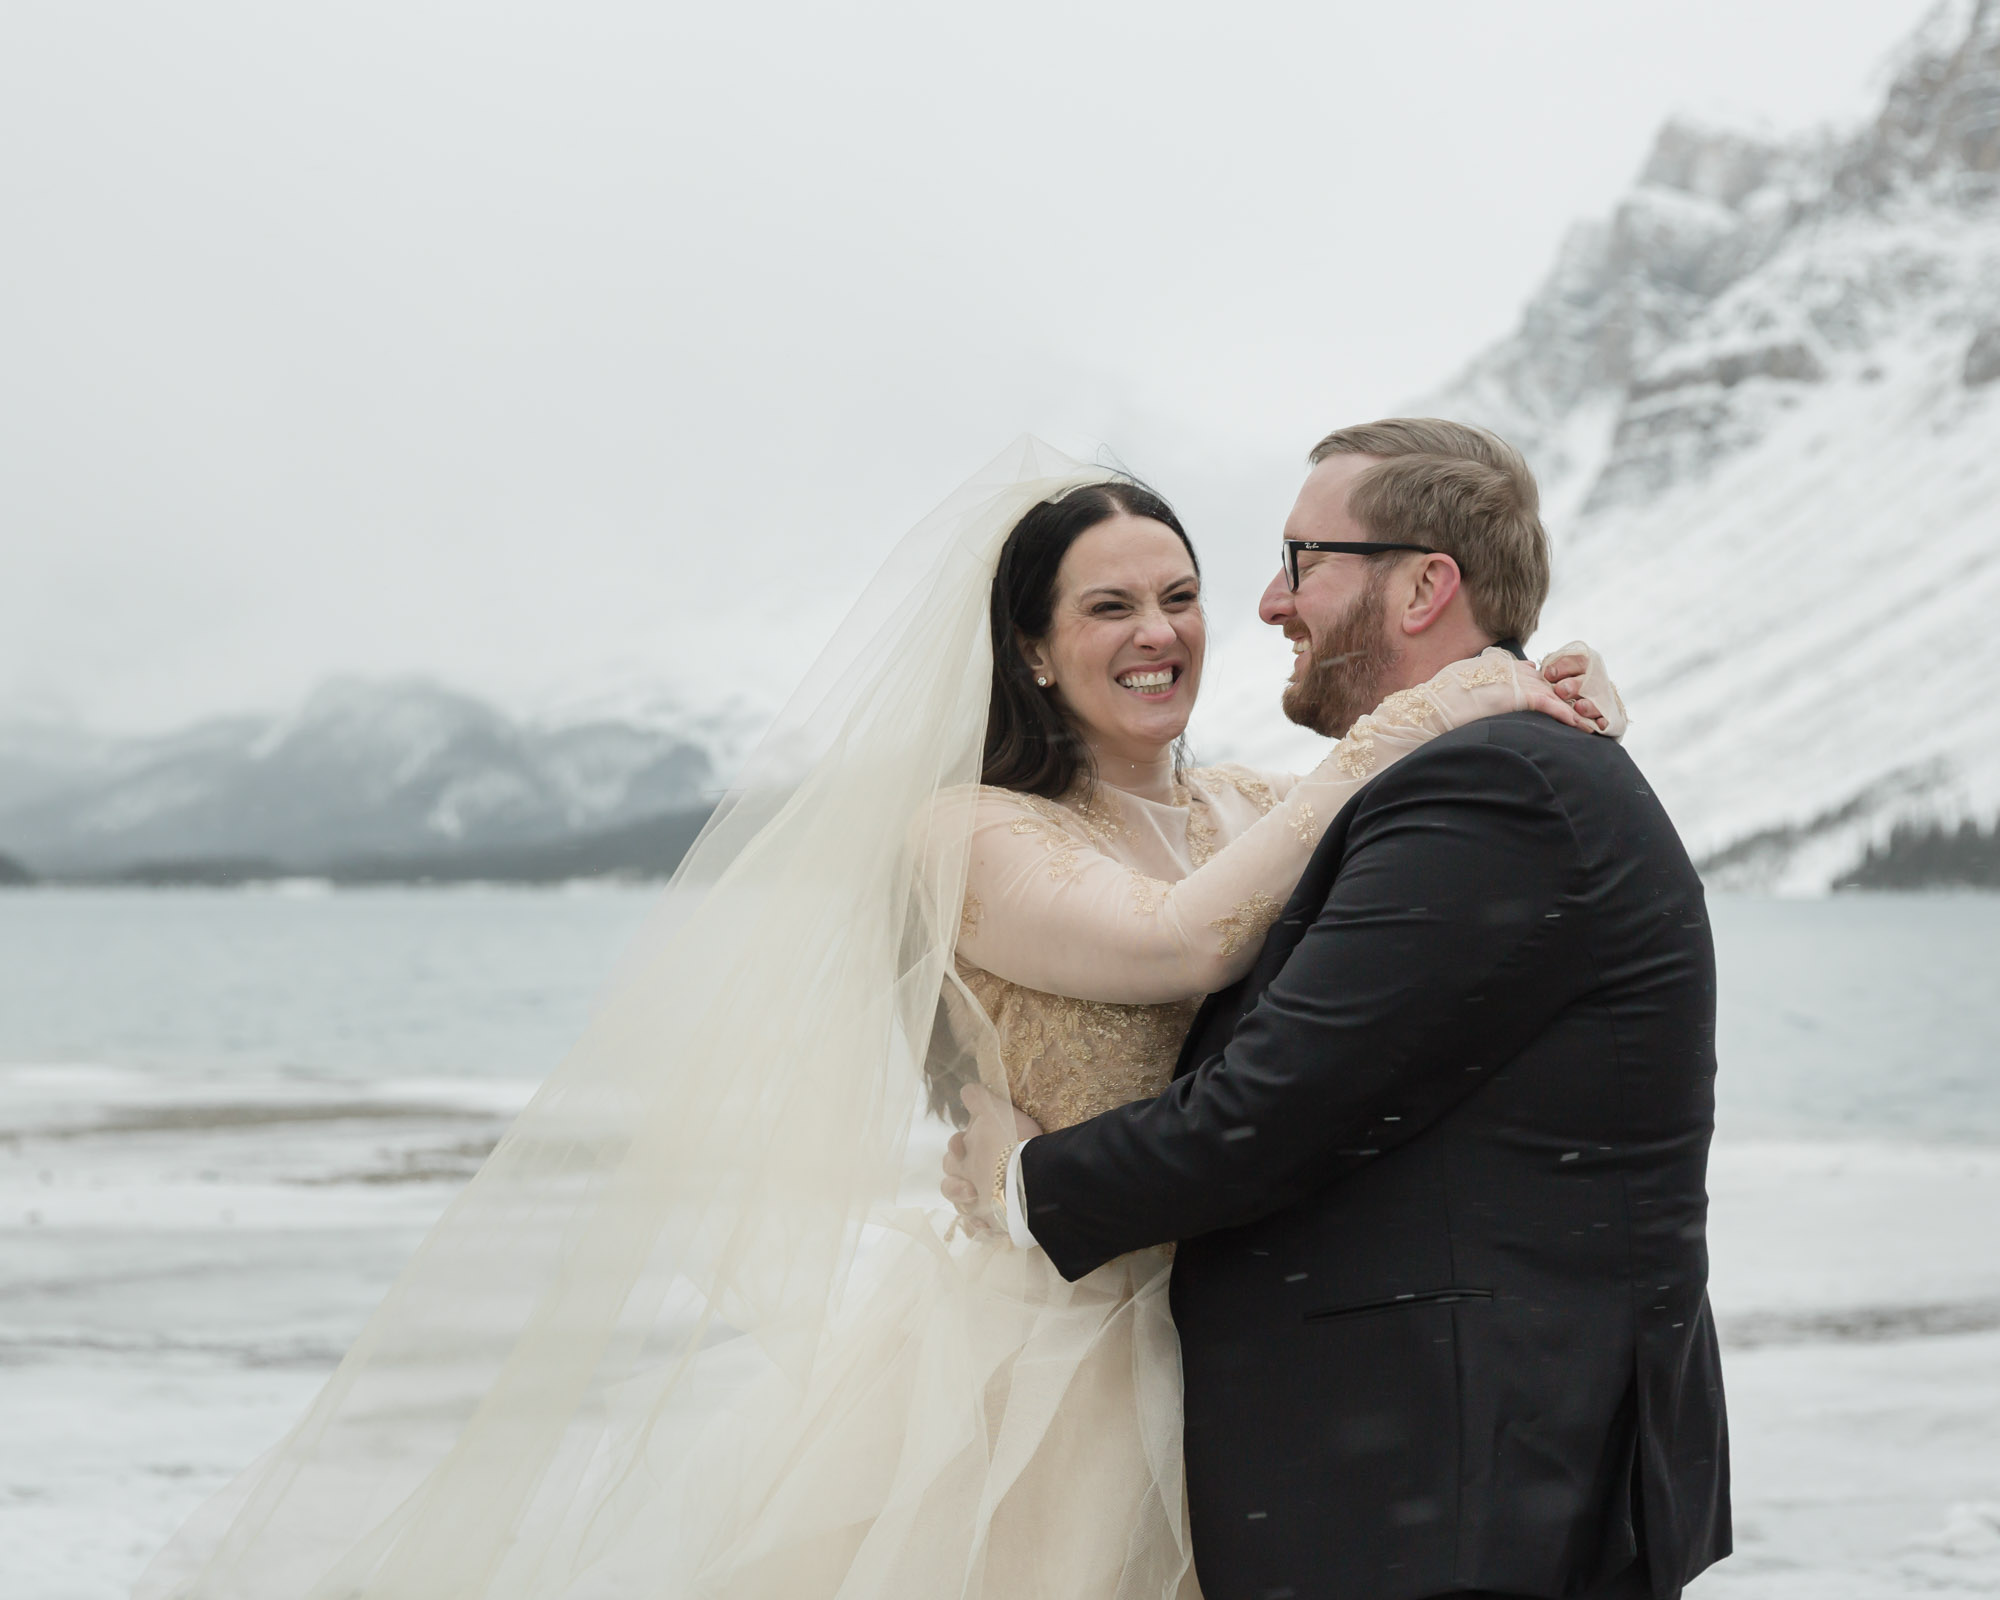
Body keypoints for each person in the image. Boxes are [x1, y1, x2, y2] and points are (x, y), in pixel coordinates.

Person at [138, 430, 1613, 1600]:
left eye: (1179, 596)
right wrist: (1421, 715)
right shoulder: (969, 835)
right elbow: (1177, 943)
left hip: (1243, 1347)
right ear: (1032, 650)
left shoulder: (1243, 801)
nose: (1159, 633)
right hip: (1051, 1374)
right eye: (1108, 606)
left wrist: (1534, 697)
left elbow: (1393, 875)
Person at [948, 419, 1730, 1600]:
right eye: (1108, 607)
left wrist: (1023, 1183)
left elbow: (1268, 1105)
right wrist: (1482, 693)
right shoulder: (1438, 777)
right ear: (1033, 652)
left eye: (1299, 561)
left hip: (1455, 1468)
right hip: (1195, 1411)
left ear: (1423, 586)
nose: (1267, 602)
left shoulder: (1487, 783)